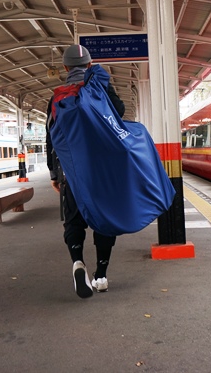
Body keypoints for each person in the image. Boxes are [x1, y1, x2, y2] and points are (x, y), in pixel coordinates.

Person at [45, 44, 125, 299]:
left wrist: (55, 174)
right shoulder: (100, 88)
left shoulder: (58, 96)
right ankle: (101, 275)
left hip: (71, 171)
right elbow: (119, 114)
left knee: (74, 220)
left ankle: (78, 262)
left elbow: (51, 137)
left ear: (66, 69)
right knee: (103, 218)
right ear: (90, 65)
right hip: (102, 170)